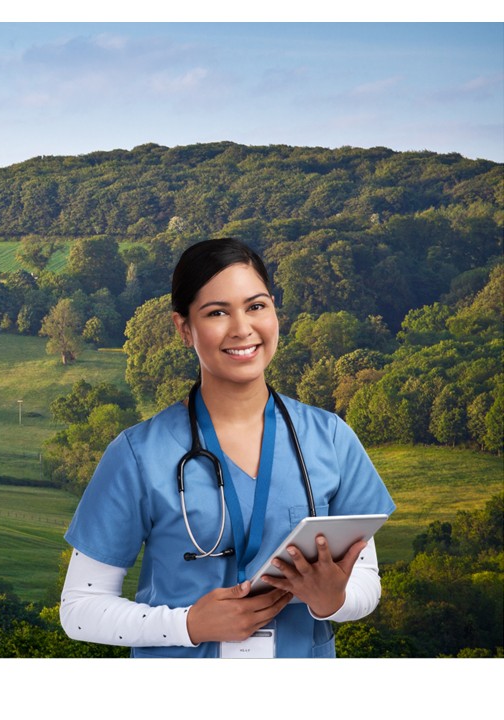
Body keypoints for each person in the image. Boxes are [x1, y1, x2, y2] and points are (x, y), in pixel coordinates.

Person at [59, 238, 396, 658]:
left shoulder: (330, 438)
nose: (242, 328)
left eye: (256, 306)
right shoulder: (138, 454)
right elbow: (80, 609)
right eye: (217, 312)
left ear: (274, 311)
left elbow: (365, 580)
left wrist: (333, 601)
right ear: (184, 329)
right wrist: (188, 625)